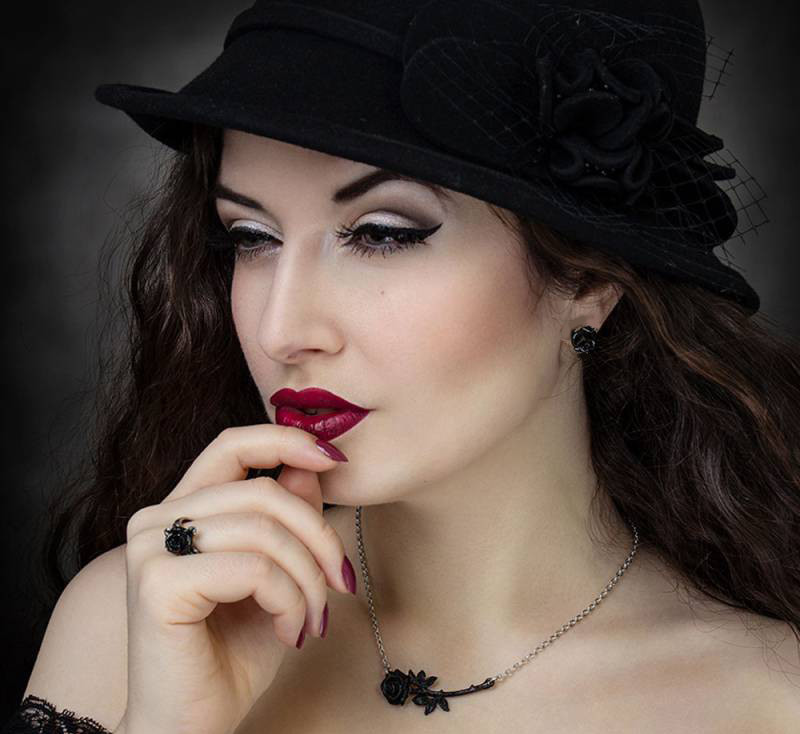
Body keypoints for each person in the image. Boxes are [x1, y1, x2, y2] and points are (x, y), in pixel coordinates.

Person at [4, 0, 800, 732]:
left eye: (382, 233)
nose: (283, 331)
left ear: (591, 282)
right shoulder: (139, 626)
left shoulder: (768, 698)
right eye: (251, 238)